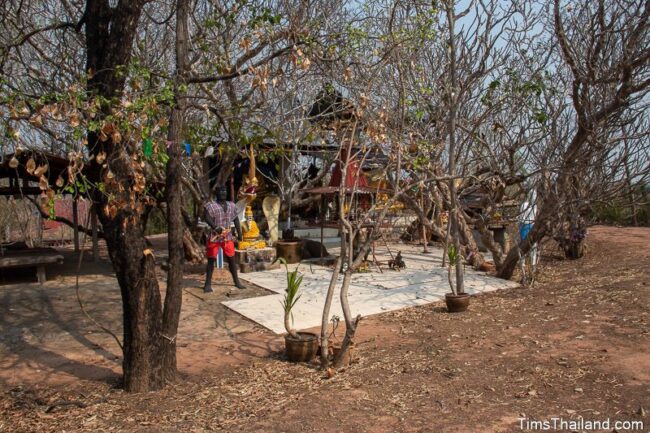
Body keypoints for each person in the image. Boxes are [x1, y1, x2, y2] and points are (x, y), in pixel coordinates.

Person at [203, 186, 245, 292]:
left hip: (227, 237)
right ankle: (207, 284)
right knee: (211, 260)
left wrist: (240, 233)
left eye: (225, 191)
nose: (223, 192)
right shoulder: (211, 206)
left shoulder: (231, 205)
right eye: (221, 191)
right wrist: (215, 227)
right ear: (216, 193)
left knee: (231, 259)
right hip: (215, 237)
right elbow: (207, 217)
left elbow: (236, 219)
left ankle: (237, 281)